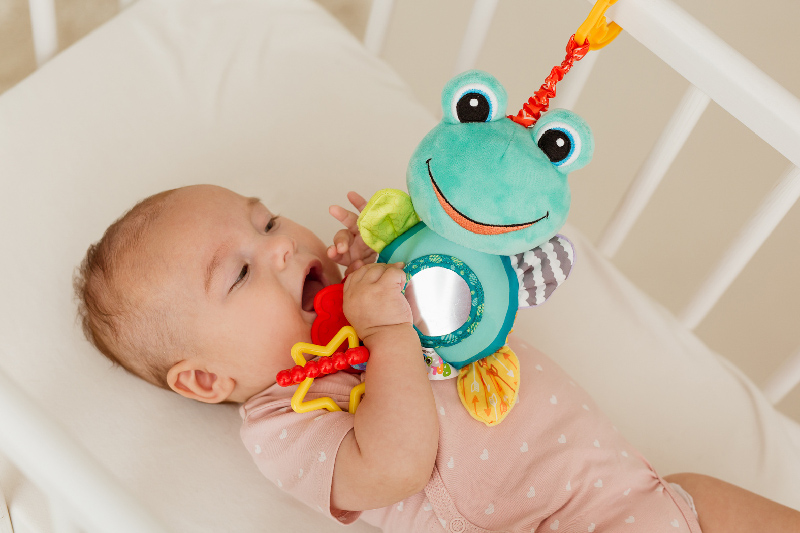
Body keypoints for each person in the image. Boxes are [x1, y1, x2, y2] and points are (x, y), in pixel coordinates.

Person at [74, 184, 800, 532]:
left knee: (710, 498)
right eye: (238, 274)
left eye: (265, 222)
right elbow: (395, 465)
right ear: (208, 378)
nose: (281, 248)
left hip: (634, 491)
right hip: (550, 523)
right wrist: (388, 331)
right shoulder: (283, 418)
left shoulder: (370, 290)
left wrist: (407, 252)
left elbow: (472, 293)